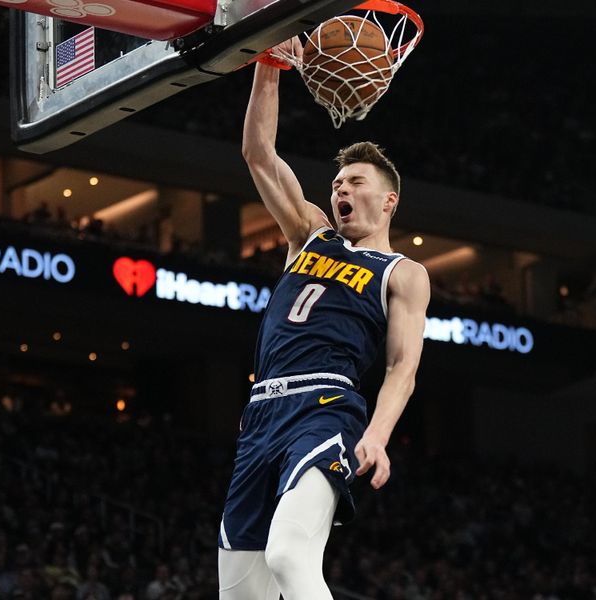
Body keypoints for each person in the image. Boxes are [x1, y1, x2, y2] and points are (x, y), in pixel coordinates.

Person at [217, 37, 431, 600]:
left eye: (356, 182)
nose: (341, 188)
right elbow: (259, 154)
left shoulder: (403, 273)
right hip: (260, 413)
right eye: (338, 182)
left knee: (290, 554)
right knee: (240, 594)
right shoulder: (308, 234)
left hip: (326, 407)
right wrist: (269, 65)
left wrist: (379, 435)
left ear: (388, 202)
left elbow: (404, 366)